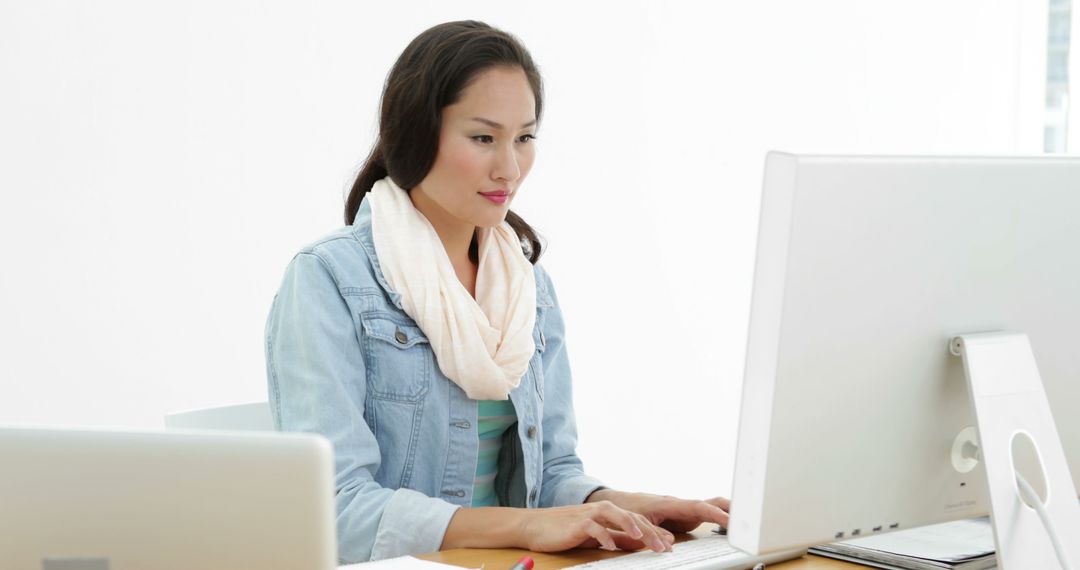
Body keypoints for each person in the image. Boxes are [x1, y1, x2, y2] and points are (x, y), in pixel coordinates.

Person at [264, 20, 730, 564]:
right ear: (417, 133)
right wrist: (527, 528)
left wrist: (624, 505)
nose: (509, 168)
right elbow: (335, 509)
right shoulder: (328, 280)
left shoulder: (527, 287)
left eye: (524, 138)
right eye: (483, 138)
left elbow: (551, 473)